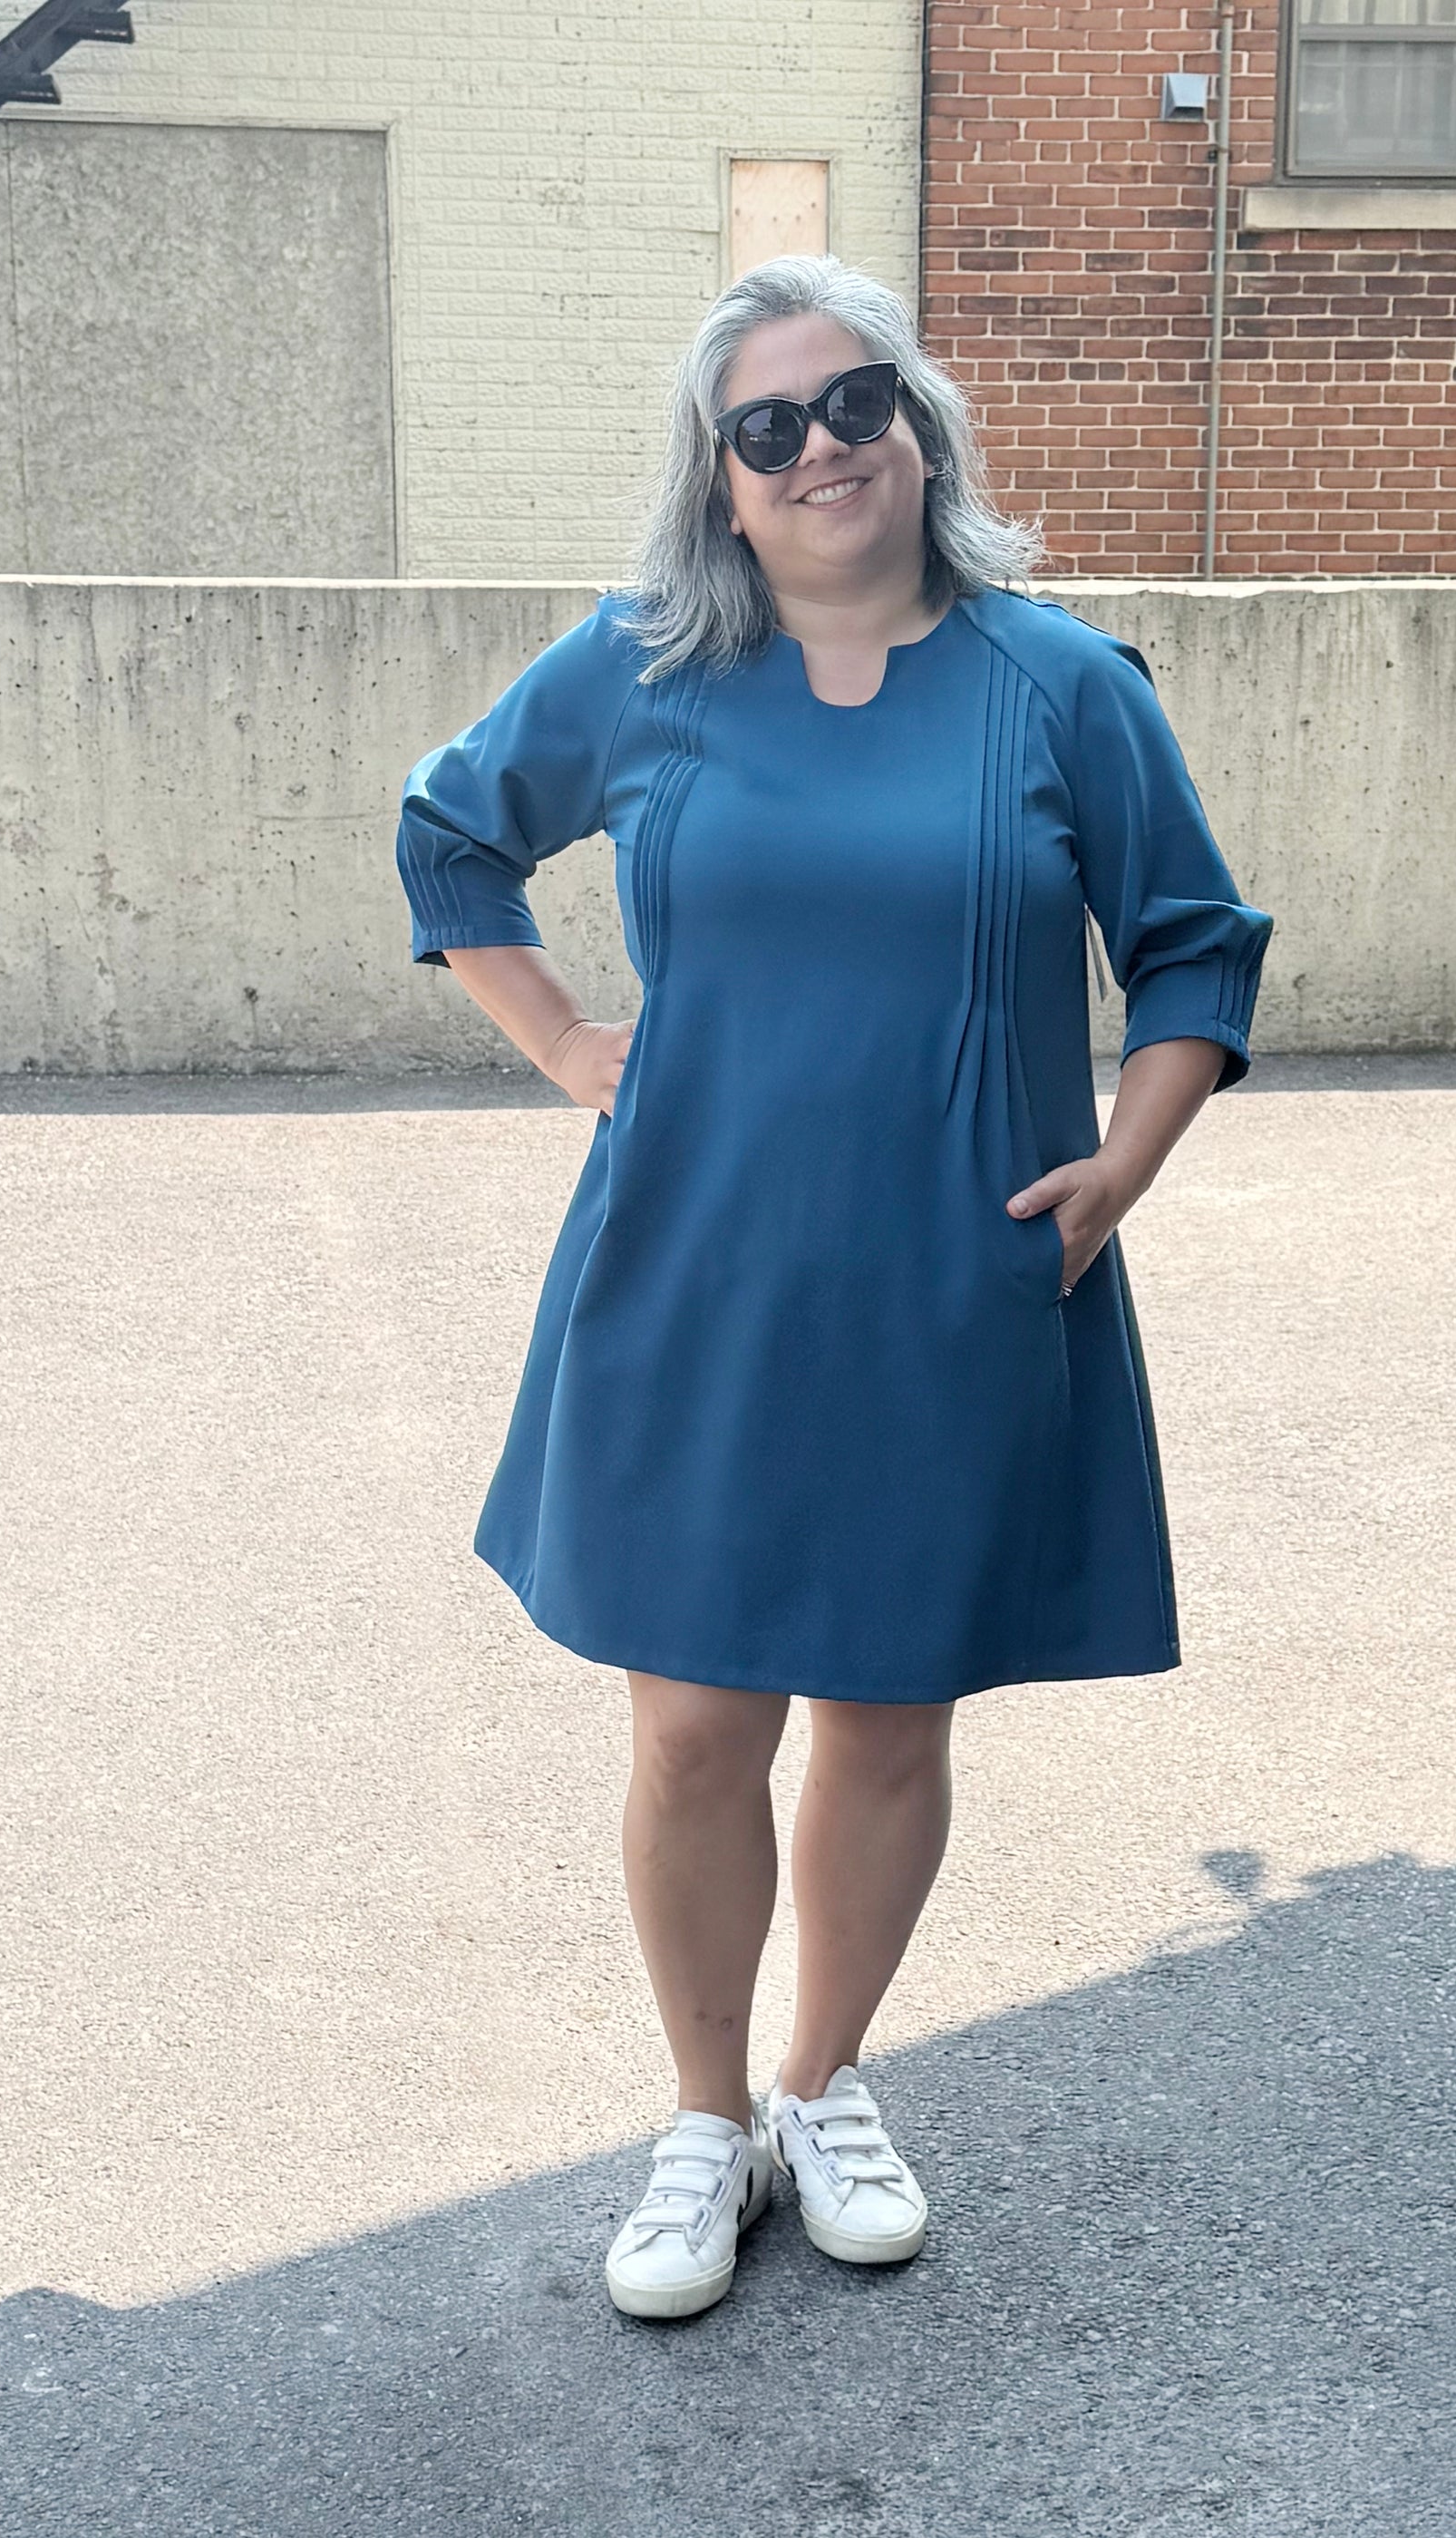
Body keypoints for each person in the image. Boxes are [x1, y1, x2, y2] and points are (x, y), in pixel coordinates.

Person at [395, 255, 1272, 2322]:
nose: (820, 449)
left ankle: (821, 2081)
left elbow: (1194, 942)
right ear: (717, 478)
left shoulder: (1062, 684)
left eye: (854, 403)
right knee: (698, 1723)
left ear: (922, 428)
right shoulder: (636, 675)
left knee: (885, 1715)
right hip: (696, 1274)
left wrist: (1129, 1156)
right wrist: (569, 1048)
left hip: (954, 1285)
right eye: (768, 425)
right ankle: (704, 2117)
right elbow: (452, 838)